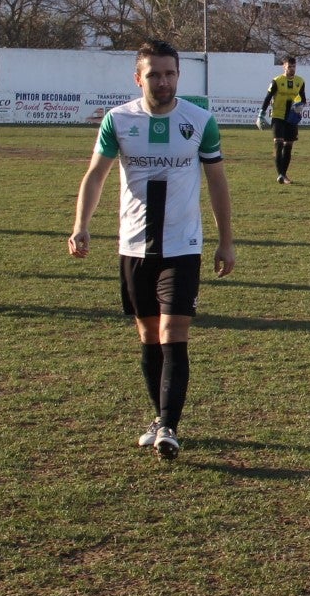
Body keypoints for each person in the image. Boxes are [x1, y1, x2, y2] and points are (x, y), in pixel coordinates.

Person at [68, 40, 234, 460]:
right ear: (138, 77)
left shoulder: (199, 121)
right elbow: (95, 176)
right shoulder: (117, 120)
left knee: (172, 333)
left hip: (183, 247)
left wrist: (226, 240)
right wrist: (81, 226)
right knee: (147, 335)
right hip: (134, 245)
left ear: (179, 75)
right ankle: (160, 419)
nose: (163, 82)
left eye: (170, 73)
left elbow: (217, 183)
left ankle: (168, 427)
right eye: (154, 74)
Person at [258, 55, 307, 184]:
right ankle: (280, 174)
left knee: (288, 146)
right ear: (284, 67)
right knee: (278, 144)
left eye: (294, 66)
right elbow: (268, 97)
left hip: (291, 119)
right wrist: (261, 114)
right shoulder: (277, 81)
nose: (292, 69)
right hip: (278, 116)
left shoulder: (300, 81)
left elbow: (303, 99)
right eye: (289, 66)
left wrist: (298, 107)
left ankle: (284, 174)